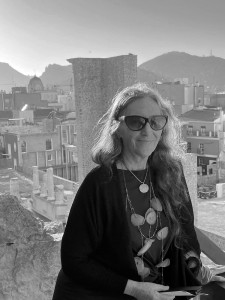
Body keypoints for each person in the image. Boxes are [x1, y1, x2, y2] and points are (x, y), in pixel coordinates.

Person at [52, 83, 224, 300]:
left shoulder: (172, 173)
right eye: (136, 122)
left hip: (157, 293)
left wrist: (199, 270)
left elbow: (186, 235)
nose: (147, 131)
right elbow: (73, 261)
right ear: (117, 128)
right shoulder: (100, 183)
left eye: (156, 121)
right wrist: (132, 288)